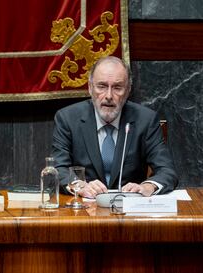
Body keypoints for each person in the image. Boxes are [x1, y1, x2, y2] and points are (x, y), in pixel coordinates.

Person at [51, 56, 178, 198]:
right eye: (102, 86)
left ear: (128, 90)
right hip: (85, 208)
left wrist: (148, 186)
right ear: (90, 88)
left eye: (117, 87)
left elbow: (167, 171)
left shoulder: (146, 120)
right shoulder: (67, 118)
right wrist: (79, 186)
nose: (109, 96)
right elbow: (57, 169)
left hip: (130, 210)